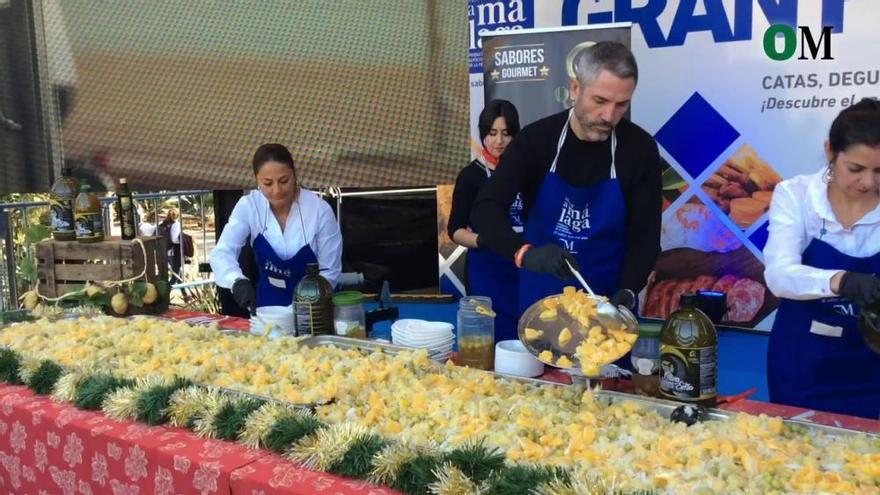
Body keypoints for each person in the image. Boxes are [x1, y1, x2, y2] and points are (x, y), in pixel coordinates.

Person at [470, 41, 662, 316]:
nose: (609, 116)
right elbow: (485, 208)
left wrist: (629, 290)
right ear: (575, 89)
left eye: (622, 104)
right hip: (541, 301)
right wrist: (524, 252)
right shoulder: (536, 140)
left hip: (606, 303)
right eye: (600, 101)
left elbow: (646, 237)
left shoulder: (639, 149)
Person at [764, 98, 880, 418]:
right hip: (803, 363)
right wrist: (840, 280)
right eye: (855, 169)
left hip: (872, 369)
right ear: (830, 151)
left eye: (879, 170)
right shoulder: (796, 196)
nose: (868, 182)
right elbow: (779, 275)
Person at [210, 143, 342, 314]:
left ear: (295, 175)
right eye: (267, 183)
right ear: (257, 180)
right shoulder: (249, 206)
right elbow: (222, 252)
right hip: (268, 308)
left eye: (284, 181)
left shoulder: (319, 210)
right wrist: (236, 281)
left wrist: (306, 306)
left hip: (314, 308)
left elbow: (330, 271)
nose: (277, 190)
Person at [448, 100, 522, 341]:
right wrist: (485, 241)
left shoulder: (528, 173)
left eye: (506, 134)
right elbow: (455, 230)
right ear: (483, 135)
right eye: (492, 134)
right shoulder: (471, 176)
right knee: (492, 336)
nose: (499, 141)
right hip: (487, 268)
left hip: (524, 265)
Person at [158, 208, 186, 297]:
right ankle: (162, 296)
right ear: (178, 215)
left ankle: (185, 295)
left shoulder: (163, 224)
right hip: (174, 253)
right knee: (174, 278)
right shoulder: (176, 224)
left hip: (166, 252)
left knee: (178, 275)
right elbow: (174, 239)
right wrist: (183, 239)